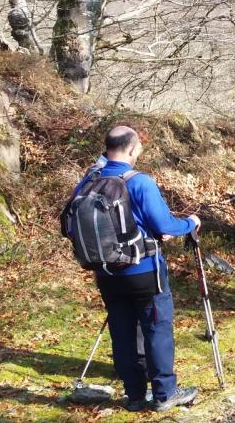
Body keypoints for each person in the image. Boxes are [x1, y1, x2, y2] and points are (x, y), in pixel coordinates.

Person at [71, 126, 200, 412]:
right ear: (131, 149)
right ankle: (166, 393)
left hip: (105, 271)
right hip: (143, 271)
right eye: (139, 147)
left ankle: (135, 395)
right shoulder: (140, 182)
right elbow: (165, 225)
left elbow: (70, 222)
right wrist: (190, 223)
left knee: (122, 330)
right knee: (156, 328)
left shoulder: (90, 179)